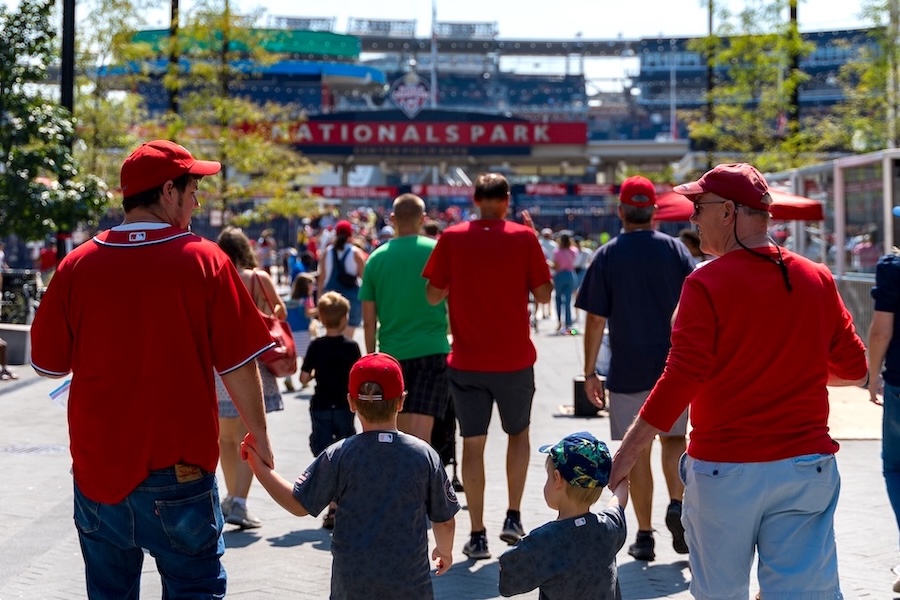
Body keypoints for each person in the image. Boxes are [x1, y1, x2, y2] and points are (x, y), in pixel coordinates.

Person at [608, 163, 868, 598]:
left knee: (720, 593)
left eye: (699, 206)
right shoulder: (816, 276)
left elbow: (681, 377)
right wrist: (790, 364)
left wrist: (628, 453)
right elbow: (855, 369)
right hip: (806, 464)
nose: (692, 217)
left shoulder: (706, 283)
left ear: (728, 211)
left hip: (725, 470)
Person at [29, 139, 275, 598]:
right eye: (193, 189)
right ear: (168, 191)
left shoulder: (77, 265)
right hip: (179, 469)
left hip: (99, 467)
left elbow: (46, 365)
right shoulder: (205, 260)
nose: (197, 201)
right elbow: (240, 364)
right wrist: (260, 436)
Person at [242, 352, 459, 599]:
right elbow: (445, 521)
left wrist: (261, 469)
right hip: (409, 585)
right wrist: (445, 551)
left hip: (353, 583)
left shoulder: (340, 455)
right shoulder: (424, 455)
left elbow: (298, 504)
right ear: (401, 401)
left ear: (351, 402)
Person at [423, 172, 553, 559]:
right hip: (514, 360)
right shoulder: (524, 238)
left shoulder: (452, 238)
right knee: (519, 435)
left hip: (467, 360)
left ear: (475, 199)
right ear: (507, 200)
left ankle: (477, 534)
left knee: (472, 444)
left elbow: (432, 295)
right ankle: (513, 516)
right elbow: (545, 295)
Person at [575, 175, 694, 561]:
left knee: (636, 452)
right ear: (653, 212)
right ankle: (677, 504)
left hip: (627, 369)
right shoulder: (676, 251)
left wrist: (590, 370)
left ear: (621, 211)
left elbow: (594, 319)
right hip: (674, 366)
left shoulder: (608, 254)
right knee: (676, 442)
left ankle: (644, 534)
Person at [360, 193, 451, 442]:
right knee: (423, 432)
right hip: (433, 349)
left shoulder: (376, 259)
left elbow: (368, 320)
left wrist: (371, 357)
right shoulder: (437, 251)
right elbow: (451, 301)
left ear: (392, 219)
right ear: (423, 219)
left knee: (394, 429)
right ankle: (421, 477)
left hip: (392, 354)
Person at [214, 226, 286, 529]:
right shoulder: (258, 278)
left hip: (219, 363)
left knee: (226, 438)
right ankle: (240, 502)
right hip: (252, 361)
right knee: (249, 435)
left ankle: (231, 497)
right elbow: (279, 313)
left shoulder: (216, 276)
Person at [498, 432, 628, 600]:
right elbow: (619, 500)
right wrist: (625, 467)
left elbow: (508, 583)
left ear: (557, 479)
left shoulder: (542, 541)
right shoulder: (609, 527)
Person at [298, 291, 362, 528]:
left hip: (322, 406)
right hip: (345, 406)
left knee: (325, 455)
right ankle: (339, 505)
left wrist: (315, 373)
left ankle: (330, 505)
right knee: (345, 454)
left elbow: (304, 378)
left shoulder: (316, 346)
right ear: (345, 318)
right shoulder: (351, 346)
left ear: (321, 319)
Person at [867, 248, 900, 593]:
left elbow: (880, 331)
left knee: (895, 468)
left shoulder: (893, 267)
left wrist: (872, 375)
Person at [318, 219, 367, 339]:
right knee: (348, 340)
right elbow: (365, 279)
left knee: (331, 340)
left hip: (331, 299)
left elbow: (321, 279)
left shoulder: (326, 253)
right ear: (350, 236)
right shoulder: (356, 253)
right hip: (352, 300)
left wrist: (319, 300)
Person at [283, 272, 316, 392]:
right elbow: (308, 313)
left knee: (292, 357)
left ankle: (288, 378)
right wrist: (320, 310)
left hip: (290, 332)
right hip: (303, 331)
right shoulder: (307, 300)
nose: (313, 288)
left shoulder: (289, 300)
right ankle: (305, 379)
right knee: (306, 357)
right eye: (312, 285)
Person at [551, 233, 578, 334]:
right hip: (571, 275)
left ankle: (559, 322)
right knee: (568, 300)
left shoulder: (557, 252)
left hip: (560, 275)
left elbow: (556, 266)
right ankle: (568, 322)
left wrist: (549, 264)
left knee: (558, 299)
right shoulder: (573, 251)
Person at [537, 228, 557, 319]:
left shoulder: (539, 244)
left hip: (541, 270)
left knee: (540, 290)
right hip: (551, 270)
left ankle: (542, 310)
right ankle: (548, 310)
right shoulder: (554, 245)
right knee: (549, 290)